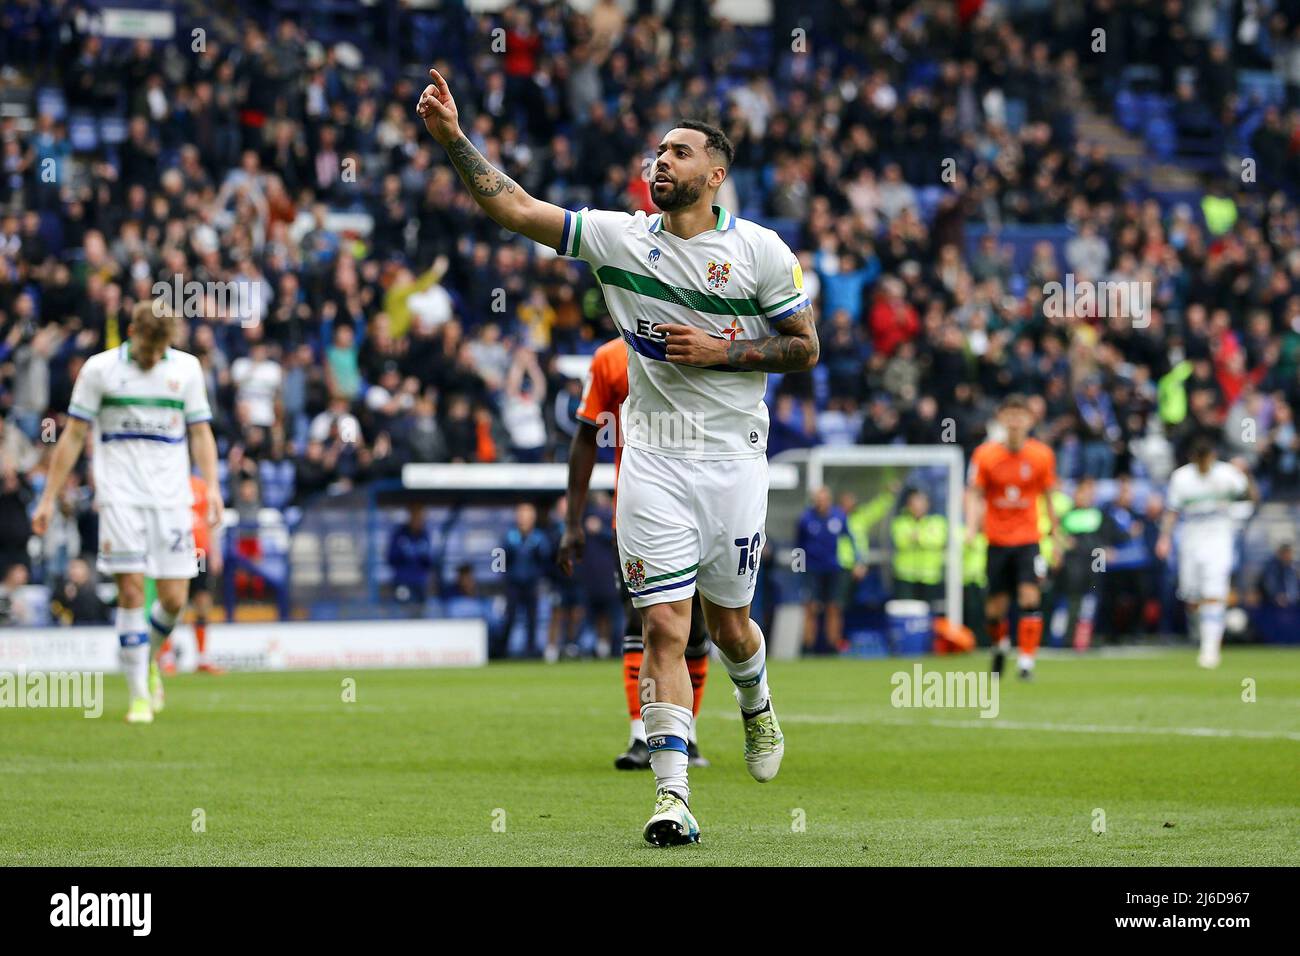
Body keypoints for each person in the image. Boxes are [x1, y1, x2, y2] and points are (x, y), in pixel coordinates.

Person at [418, 69, 819, 845]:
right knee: (664, 626)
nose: (659, 162)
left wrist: (721, 348)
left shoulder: (763, 252)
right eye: (656, 153)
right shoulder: (619, 236)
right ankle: (673, 797)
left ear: (715, 173)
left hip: (734, 460)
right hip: (655, 462)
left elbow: (805, 348)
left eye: (678, 152)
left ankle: (757, 703)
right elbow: (513, 205)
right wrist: (453, 139)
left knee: (730, 624)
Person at [31, 302, 222, 723]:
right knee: (132, 591)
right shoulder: (100, 370)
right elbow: (73, 436)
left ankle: (146, 660)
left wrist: (211, 487)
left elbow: (201, 433)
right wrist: (47, 498)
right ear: (131, 330)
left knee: (174, 599)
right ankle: (138, 696)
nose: (153, 358)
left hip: (172, 500)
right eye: (147, 349)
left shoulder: (187, 370)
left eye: (160, 351)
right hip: (119, 497)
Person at [557, 337, 711, 769]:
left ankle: (686, 733)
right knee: (642, 624)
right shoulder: (610, 358)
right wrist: (573, 522)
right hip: (638, 516)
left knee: (696, 631)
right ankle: (641, 735)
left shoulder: (702, 341)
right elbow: (586, 436)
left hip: (706, 513)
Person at [966, 395, 1062, 680]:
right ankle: (999, 648)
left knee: (1029, 596)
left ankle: (1026, 663)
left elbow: (1049, 497)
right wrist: (971, 527)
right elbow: (974, 493)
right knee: (995, 609)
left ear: (1031, 420)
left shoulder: (1042, 455)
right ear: (1001, 419)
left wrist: (1056, 537)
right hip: (996, 541)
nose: (1016, 421)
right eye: (1010, 415)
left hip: (1028, 540)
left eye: (1021, 415)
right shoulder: (985, 455)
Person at [1157, 438, 1257, 668]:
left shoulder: (1227, 473)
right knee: (1191, 596)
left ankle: (1210, 649)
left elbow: (1251, 496)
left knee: (1214, 589)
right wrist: (1164, 538)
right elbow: (1172, 511)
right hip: (1191, 537)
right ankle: (1200, 635)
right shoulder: (1181, 477)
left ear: (1213, 456)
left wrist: (1246, 474)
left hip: (1219, 536)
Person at [160, 474, 226, 674]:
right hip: (176, 551)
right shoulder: (166, 484)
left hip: (199, 553)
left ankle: (202, 658)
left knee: (203, 601)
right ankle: (167, 657)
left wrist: (214, 552)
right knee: (173, 602)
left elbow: (208, 522)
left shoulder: (200, 485)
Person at [795, 485, 848, 654]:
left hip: (834, 569)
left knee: (834, 607)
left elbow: (849, 539)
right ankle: (807, 646)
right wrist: (799, 570)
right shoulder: (805, 519)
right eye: (818, 499)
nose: (821, 503)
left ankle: (833, 645)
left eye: (824, 499)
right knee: (810, 608)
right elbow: (798, 546)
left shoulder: (839, 517)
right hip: (812, 569)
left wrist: (855, 562)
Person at [496, 503, 551, 658]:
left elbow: (545, 561)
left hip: (531, 584)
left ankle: (531, 651)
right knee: (509, 618)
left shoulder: (539, 538)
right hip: (513, 584)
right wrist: (503, 578)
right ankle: (502, 651)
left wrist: (539, 576)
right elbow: (499, 559)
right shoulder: (509, 537)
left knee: (532, 619)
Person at [890, 488, 947, 606]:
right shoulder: (900, 522)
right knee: (906, 610)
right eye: (914, 503)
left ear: (927, 504)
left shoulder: (937, 521)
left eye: (921, 503)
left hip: (929, 577)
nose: (918, 507)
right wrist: (926, 535)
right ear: (908, 505)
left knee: (926, 611)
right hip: (905, 576)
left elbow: (939, 541)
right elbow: (900, 541)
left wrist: (917, 537)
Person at [386, 505, 434, 606]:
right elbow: (391, 558)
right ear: (410, 517)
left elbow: (429, 560)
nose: (419, 521)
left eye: (421, 518)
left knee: (421, 610)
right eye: (416, 517)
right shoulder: (399, 534)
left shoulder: (425, 535)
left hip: (420, 582)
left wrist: (424, 560)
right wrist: (406, 557)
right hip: (402, 581)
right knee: (403, 609)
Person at [1258, 542, 1299, 608]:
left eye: (1290, 553)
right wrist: (1277, 596)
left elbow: (1294, 586)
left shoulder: (1293, 566)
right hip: (1274, 605)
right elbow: (1270, 585)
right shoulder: (1271, 567)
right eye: (1286, 553)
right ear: (1280, 554)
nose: (1288, 556)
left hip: (1293, 604)